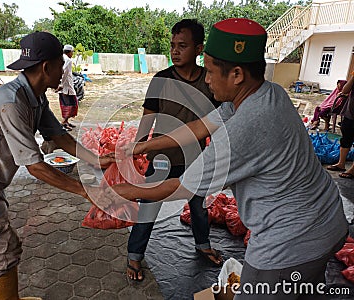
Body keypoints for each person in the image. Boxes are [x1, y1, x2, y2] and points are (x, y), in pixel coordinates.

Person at [104, 18, 348, 299]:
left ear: (236, 75)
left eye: (209, 72)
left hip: (290, 242)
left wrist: (116, 191)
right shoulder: (268, 94)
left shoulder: (244, 128)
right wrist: (137, 148)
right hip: (329, 220)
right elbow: (198, 127)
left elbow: (180, 187)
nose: (206, 80)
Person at [0, 32, 114, 300]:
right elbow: (35, 167)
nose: (64, 70)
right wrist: (85, 190)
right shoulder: (12, 103)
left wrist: (97, 159)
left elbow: (59, 136)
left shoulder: (34, 97)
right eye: (61, 64)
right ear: (46, 67)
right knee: (1, 251)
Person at [125, 19, 224, 282]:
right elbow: (149, 115)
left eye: (183, 45)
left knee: (199, 206)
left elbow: (217, 119)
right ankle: (134, 255)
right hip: (161, 158)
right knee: (149, 205)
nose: (175, 51)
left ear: (199, 49)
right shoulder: (162, 79)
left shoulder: (209, 81)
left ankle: (202, 245)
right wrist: (137, 145)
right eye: (172, 46)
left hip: (196, 157)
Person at [327, 72, 354, 179]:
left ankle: (352, 169)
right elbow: (345, 90)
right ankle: (341, 163)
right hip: (350, 112)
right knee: (345, 138)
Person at [58, 44, 78, 131]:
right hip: (66, 87)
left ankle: (66, 122)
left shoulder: (61, 58)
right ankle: (63, 122)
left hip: (64, 86)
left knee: (67, 104)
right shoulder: (68, 60)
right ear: (69, 52)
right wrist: (61, 85)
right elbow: (64, 72)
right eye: (72, 52)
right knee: (70, 104)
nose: (72, 54)